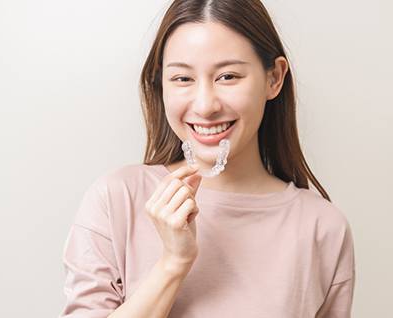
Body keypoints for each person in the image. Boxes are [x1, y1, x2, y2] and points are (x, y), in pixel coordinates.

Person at [59, 0, 356, 317]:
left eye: (228, 77)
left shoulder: (323, 228)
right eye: (183, 79)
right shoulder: (116, 199)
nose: (205, 105)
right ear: (162, 83)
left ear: (274, 79)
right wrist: (173, 264)